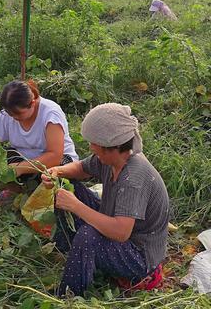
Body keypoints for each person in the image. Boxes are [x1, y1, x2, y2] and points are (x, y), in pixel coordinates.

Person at [42, 103, 169, 297]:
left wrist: (76, 206)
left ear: (114, 147)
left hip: (138, 255)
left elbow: (120, 232)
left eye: (95, 144)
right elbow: (82, 168)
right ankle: (69, 250)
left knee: (88, 236)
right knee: (67, 186)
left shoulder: (133, 178)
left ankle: (67, 295)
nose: (91, 147)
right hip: (115, 224)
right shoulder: (111, 160)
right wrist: (57, 172)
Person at [0, 80, 78, 200]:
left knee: (51, 178)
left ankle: (34, 193)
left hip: (56, 161)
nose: (14, 118)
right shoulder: (8, 112)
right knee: (5, 156)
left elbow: (55, 155)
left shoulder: (50, 113)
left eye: (19, 114)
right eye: (11, 115)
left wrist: (20, 168)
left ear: (32, 103)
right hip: (23, 159)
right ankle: (15, 191)